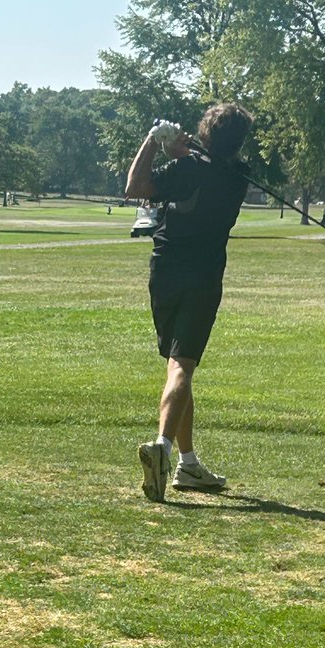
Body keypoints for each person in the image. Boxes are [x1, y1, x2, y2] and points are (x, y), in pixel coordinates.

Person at [125, 103, 253, 502]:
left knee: (177, 366)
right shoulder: (239, 175)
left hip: (164, 273)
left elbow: (135, 187)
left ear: (205, 133)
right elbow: (213, 167)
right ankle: (162, 447)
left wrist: (153, 141)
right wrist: (185, 154)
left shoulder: (186, 170)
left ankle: (188, 463)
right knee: (182, 365)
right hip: (203, 277)